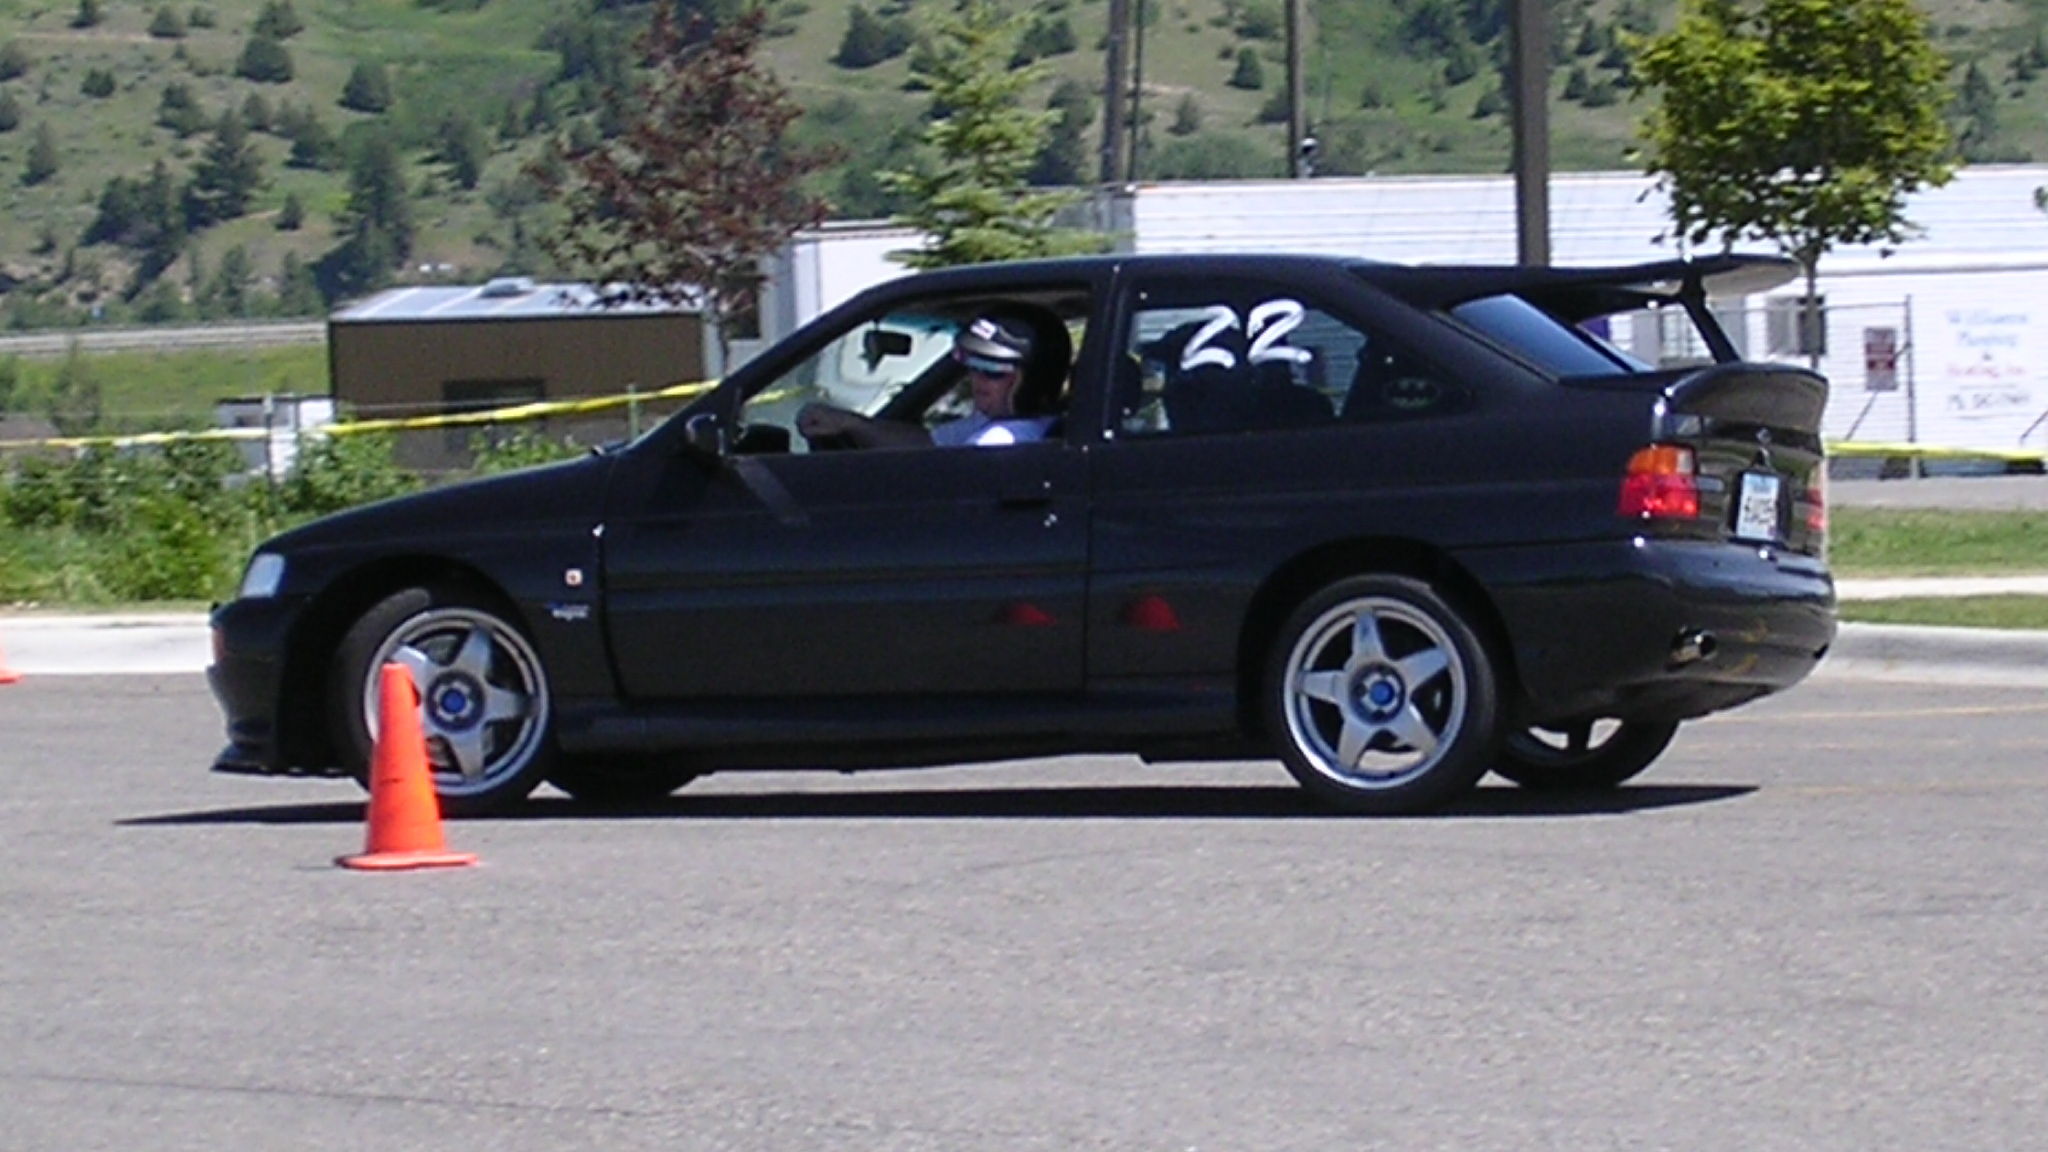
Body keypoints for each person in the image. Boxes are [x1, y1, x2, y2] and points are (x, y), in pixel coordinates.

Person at [796, 310, 1063, 449]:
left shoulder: (999, 441)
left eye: (991, 370)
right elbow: (928, 443)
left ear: (1033, 381)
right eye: (971, 365)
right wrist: (851, 424)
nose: (976, 379)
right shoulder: (995, 423)